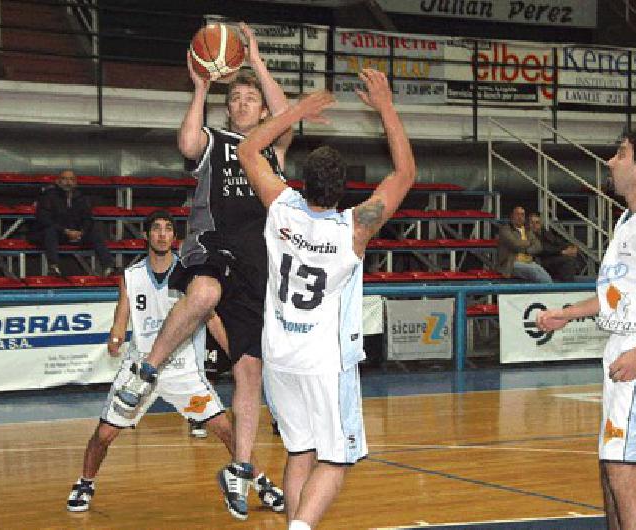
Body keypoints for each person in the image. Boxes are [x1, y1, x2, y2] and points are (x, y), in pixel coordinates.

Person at [113, 23, 291, 520]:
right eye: (234, 98)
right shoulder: (215, 138)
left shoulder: (272, 146)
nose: (241, 104)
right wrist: (199, 88)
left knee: (249, 369)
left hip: (259, 262)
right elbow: (188, 145)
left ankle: (239, 469)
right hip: (212, 244)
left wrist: (254, 58)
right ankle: (148, 368)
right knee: (206, 290)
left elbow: (286, 114)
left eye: (249, 99)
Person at [237, 68, 416, 530]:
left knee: (300, 452)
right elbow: (405, 172)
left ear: (302, 179)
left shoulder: (279, 205)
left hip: (279, 355)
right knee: (335, 461)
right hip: (323, 361)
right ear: (342, 190)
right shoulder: (355, 227)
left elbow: (248, 149)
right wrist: (386, 107)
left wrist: (295, 112)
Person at [536, 128, 636, 530]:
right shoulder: (631, 218)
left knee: (622, 465)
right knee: (611, 462)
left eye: (620, 153)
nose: (610, 161)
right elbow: (622, 295)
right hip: (630, 347)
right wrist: (570, 312)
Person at [66, 210, 283, 513]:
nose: (162, 234)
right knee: (103, 434)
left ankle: (261, 483)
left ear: (174, 237)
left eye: (168, 229)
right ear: (147, 235)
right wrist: (115, 337)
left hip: (182, 370)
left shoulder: (191, 276)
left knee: (227, 430)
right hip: (141, 369)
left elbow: (212, 319)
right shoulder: (131, 276)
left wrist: (237, 355)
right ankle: (85, 483)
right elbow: (120, 321)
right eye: (156, 229)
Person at [29, 169, 115, 277]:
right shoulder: (47, 196)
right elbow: (44, 219)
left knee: (95, 231)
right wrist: (65, 231)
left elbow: (88, 219)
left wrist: (81, 232)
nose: (68, 182)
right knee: (49, 231)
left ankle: (109, 267)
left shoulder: (81, 198)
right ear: (57, 181)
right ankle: (53, 267)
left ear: (76, 182)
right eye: (65, 179)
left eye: (71, 179)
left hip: (76, 234)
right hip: (57, 233)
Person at [496, 206, 552, 283]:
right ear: (512, 216)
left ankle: (549, 291)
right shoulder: (505, 229)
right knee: (534, 270)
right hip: (511, 264)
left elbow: (538, 246)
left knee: (541, 271)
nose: (520, 217)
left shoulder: (527, 230)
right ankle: (549, 292)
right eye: (517, 214)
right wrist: (529, 243)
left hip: (529, 262)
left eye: (522, 215)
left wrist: (526, 251)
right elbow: (515, 245)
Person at [528, 212, 580, 282]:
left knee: (571, 258)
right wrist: (561, 252)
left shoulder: (545, 232)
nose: (534, 225)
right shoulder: (527, 234)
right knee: (568, 261)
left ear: (541, 224)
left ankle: (566, 285)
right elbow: (542, 249)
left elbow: (557, 242)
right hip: (539, 261)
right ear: (528, 224)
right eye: (532, 223)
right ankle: (567, 288)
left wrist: (570, 248)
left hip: (550, 258)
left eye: (537, 222)